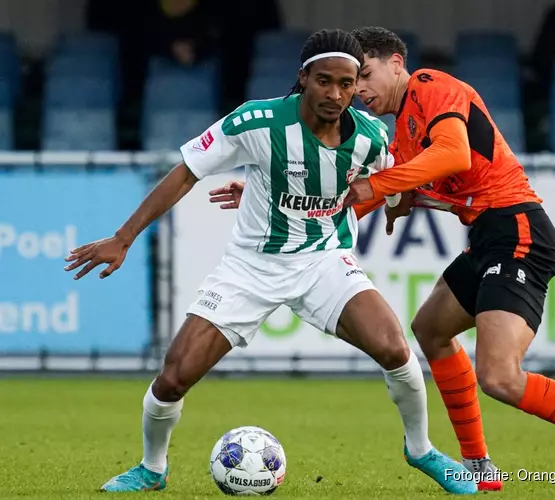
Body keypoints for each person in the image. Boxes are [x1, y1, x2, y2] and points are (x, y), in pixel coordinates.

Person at [63, 29, 476, 495]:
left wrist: (398, 203)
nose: (337, 94)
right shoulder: (256, 122)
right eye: (325, 81)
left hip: (325, 261)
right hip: (251, 267)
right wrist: (123, 237)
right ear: (303, 78)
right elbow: (185, 174)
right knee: (175, 376)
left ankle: (420, 450)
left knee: (394, 348)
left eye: (347, 82)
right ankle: (152, 468)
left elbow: (393, 182)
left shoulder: (371, 136)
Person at [347, 26, 555, 496]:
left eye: (366, 75)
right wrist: (308, 209)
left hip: (519, 230)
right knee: (431, 329)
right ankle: (479, 465)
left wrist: (382, 187)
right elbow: (389, 189)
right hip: (488, 237)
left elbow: (452, 154)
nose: (359, 91)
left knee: (499, 376)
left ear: (397, 63)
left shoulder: (431, 86)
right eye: (353, 84)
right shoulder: (403, 135)